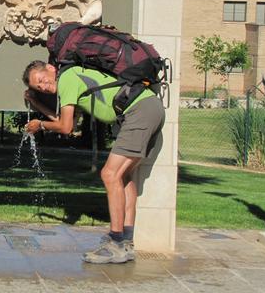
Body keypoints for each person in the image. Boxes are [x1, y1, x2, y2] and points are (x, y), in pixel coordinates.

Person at [22, 60, 165, 264]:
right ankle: (126, 242)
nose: (44, 86)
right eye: (39, 87)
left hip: (138, 112)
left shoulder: (67, 79)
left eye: (42, 80)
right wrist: (37, 105)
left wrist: (40, 125)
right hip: (149, 108)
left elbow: (65, 127)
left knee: (109, 174)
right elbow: (65, 120)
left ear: (50, 68)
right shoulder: (72, 77)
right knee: (124, 176)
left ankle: (115, 243)